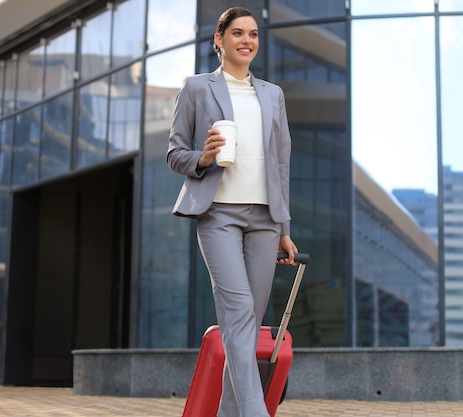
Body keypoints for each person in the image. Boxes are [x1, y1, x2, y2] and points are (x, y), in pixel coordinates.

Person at [166, 6, 298, 417]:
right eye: (237, 33)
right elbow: (174, 153)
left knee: (245, 323)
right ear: (219, 40)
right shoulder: (197, 88)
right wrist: (203, 158)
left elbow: (281, 164)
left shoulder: (273, 94)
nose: (247, 40)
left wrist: (283, 227)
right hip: (218, 213)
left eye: (254, 34)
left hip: (264, 218)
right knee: (239, 312)